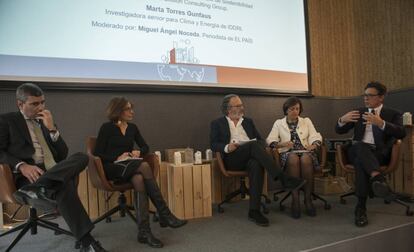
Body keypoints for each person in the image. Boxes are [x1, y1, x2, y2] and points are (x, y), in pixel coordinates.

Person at [0, 83, 107, 252]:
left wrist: (52, 129)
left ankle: (38, 187)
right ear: (20, 104)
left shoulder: (45, 122)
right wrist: (22, 166)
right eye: (34, 104)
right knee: (63, 187)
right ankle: (87, 242)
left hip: (52, 172)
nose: (40, 107)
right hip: (27, 175)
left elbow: (62, 154)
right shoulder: (7, 120)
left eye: (42, 102)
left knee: (82, 156)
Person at [94, 97, 187, 248]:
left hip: (130, 165)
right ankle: (164, 213)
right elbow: (98, 153)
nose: (132, 111)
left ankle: (144, 231)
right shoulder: (106, 128)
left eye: (132, 108)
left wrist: (137, 151)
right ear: (118, 111)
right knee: (143, 167)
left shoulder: (133, 128)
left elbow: (145, 147)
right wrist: (117, 157)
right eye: (128, 109)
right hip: (112, 167)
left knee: (138, 179)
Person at [210, 94, 306, 227]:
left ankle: (254, 211)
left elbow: (261, 140)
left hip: (250, 157)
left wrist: (255, 144)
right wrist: (227, 146)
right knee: (254, 146)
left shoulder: (248, 121)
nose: (241, 108)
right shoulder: (217, 123)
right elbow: (213, 144)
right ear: (228, 108)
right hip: (232, 159)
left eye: (241, 105)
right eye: (238, 106)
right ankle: (283, 178)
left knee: (256, 163)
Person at [335, 81, 406, 227]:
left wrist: (381, 123)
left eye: (370, 95)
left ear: (381, 97)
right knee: (361, 146)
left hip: (378, 154)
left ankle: (360, 207)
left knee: (362, 163)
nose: (365, 98)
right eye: (364, 95)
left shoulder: (393, 114)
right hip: (356, 150)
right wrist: (342, 120)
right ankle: (377, 178)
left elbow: (402, 132)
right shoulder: (358, 112)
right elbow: (339, 130)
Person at [266, 97, 322, 219]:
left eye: (297, 109)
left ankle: (308, 200)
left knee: (305, 159)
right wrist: (282, 144)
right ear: (286, 110)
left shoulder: (306, 121)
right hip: (287, 153)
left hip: (305, 151)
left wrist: (314, 144)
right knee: (293, 159)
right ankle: (295, 200)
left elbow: (315, 135)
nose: (295, 111)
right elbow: (270, 140)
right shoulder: (278, 123)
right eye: (292, 109)